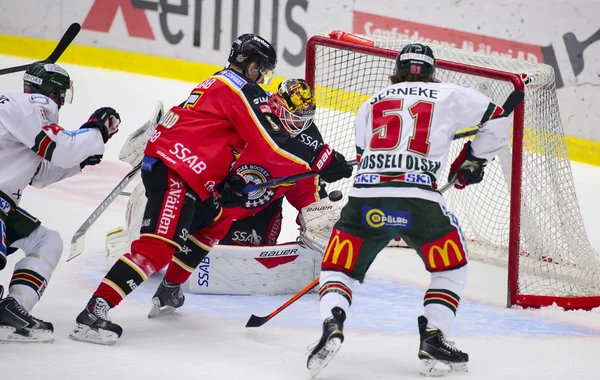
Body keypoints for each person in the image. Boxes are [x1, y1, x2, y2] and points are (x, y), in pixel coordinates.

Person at [70, 35, 351, 345]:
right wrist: (323, 159)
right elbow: (267, 141)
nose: (263, 79)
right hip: (178, 170)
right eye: (263, 71)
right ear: (253, 66)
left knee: (219, 219)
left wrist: (229, 181)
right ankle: (94, 313)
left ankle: (169, 291)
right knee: (158, 248)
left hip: (189, 172)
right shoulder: (239, 88)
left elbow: (217, 137)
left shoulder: (223, 84)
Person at [306, 43, 512, 377]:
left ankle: (332, 321)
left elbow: (364, 151)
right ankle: (434, 334)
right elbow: (499, 121)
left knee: (338, 266)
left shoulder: (371, 103)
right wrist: (473, 160)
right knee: (451, 266)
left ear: (396, 69)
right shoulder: (448, 93)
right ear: (432, 72)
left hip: (366, 200)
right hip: (419, 201)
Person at [102, 79, 351, 315]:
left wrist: (317, 218)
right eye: (293, 117)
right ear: (275, 105)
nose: (298, 125)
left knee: (238, 255)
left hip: (254, 211)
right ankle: (134, 236)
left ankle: (170, 285)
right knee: (162, 241)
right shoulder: (251, 118)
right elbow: (203, 147)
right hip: (210, 196)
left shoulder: (309, 144)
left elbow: (306, 189)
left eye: (303, 119)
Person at [0, 62, 120, 343]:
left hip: (3, 205)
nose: (62, 101)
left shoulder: (20, 112)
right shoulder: (29, 105)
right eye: (62, 94)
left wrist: (79, 161)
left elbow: (39, 174)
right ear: (53, 92)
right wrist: (96, 131)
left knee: (47, 241)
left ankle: (11, 312)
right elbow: (58, 148)